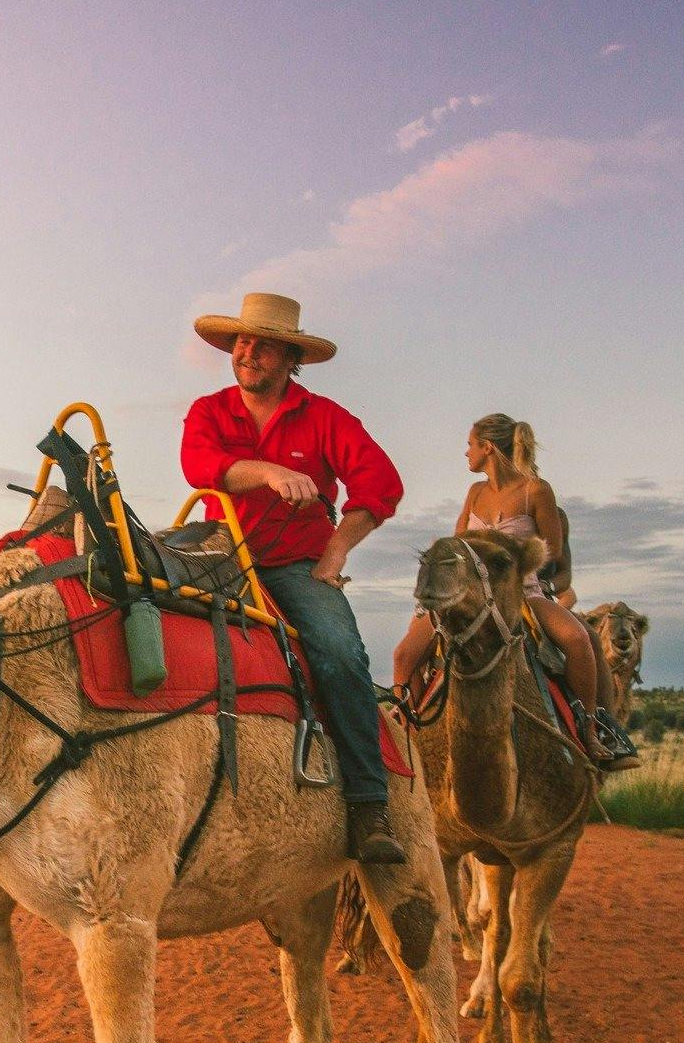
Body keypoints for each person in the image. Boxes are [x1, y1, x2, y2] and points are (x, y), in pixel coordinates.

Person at [180, 292, 408, 864]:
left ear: (289, 358)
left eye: (263, 345)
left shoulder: (327, 418)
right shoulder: (210, 410)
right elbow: (200, 466)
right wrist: (269, 472)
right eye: (242, 342)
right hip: (219, 557)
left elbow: (381, 484)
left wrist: (334, 555)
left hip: (295, 565)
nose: (248, 353)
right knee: (146, 614)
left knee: (339, 652)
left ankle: (367, 803)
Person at [389, 413, 639, 769]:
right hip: (470, 596)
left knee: (579, 640)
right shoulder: (474, 494)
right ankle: (408, 734)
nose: (466, 454)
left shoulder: (536, 491)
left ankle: (591, 728)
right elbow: (459, 547)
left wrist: (545, 587)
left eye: (470, 445)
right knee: (403, 656)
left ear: (487, 448)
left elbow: (551, 556)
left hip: (522, 592)